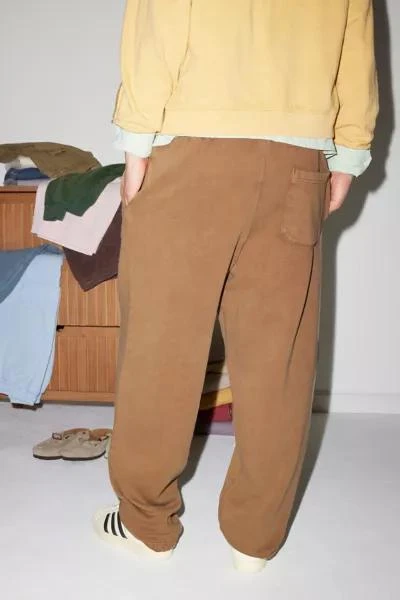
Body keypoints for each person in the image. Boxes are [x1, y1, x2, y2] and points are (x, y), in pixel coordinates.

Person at [93, 0, 378, 573]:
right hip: (298, 157)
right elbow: (355, 41)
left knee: (160, 349)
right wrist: (350, 150)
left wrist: (137, 140)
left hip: (189, 149)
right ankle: (255, 539)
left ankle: (147, 526)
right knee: (279, 361)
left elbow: (158, 22)